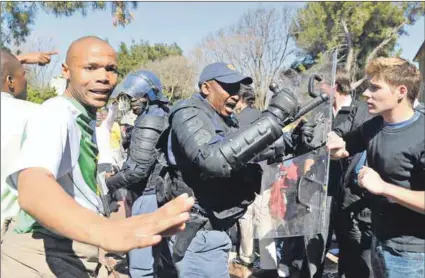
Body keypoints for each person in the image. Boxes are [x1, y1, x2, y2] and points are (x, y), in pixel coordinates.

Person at [1, 36, 194, 277]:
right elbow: (33, 189)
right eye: (90, 68)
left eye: (111, 69)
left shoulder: (81, 116)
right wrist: (105, 230)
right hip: (43, 252)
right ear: (66, 71)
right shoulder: (57, 112)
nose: (103, 77)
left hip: (74, 247)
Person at [154, 62, 302, 277]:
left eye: (238, 89)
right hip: (192, 235)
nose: (236, 95)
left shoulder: (225, 120)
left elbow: (244, 151)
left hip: (217, 232)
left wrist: (293, 140)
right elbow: (214, 159)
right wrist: (272, 118)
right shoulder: (187, 111)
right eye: (228, 88)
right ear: (206, 88)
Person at [327, 57, 425, 278]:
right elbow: (344, 145)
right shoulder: (374, 125)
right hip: (378, 243)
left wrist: (383, 188)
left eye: (375, 88)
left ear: (401, 91)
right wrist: (335, 147)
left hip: (412, 255)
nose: (365, 94)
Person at [106, 70, 171, 278]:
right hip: (156, 193)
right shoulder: (158, 115)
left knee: (141, 265)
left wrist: (109, 183)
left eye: (139, 97)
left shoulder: (151, 119)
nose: (134, 102)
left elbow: (138, 170)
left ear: (150, 96)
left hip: (148, 194)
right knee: (158, 259)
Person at [0, 50, 39, 234]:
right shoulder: (35, 115)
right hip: (11, 234)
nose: (27, 82)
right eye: (23, 75)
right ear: (10, 81)